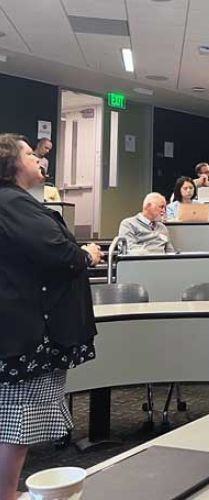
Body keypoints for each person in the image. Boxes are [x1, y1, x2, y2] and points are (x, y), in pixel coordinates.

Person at [0, 133, 102, 498]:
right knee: (17, 419)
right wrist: (87, 254)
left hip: (22, 324)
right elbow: (58, 253)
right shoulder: (12, 203)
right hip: (28, 331)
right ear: (11, 164)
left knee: (15, 417)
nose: (39, 160)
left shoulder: (13, 203)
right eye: (30, 154)